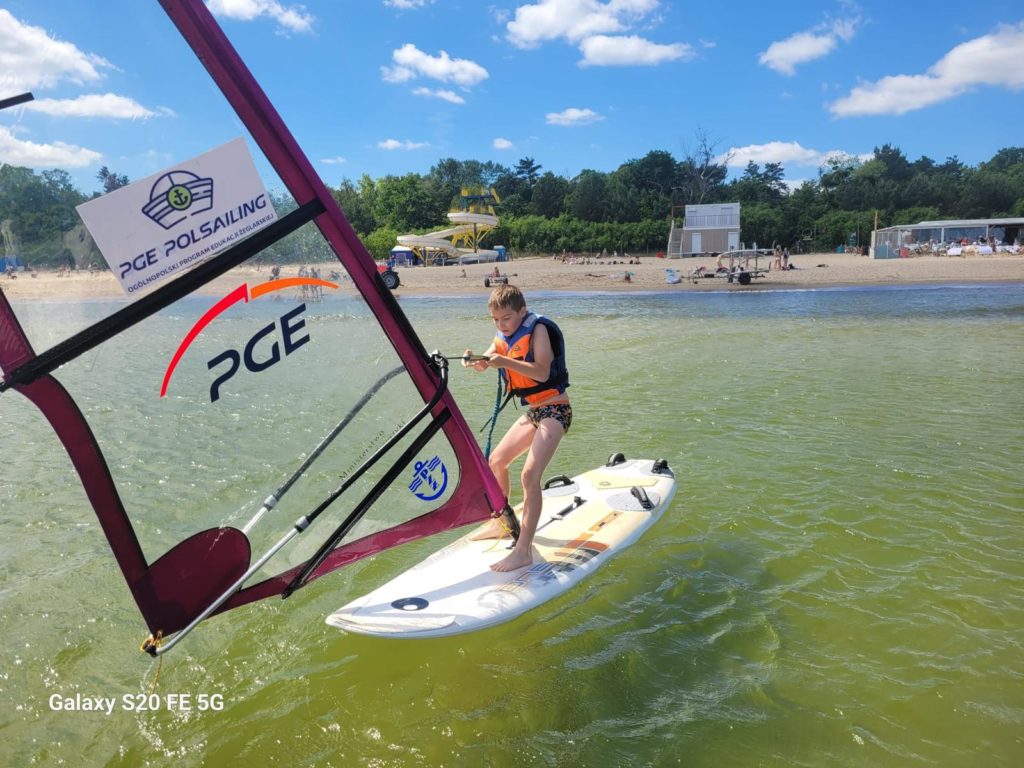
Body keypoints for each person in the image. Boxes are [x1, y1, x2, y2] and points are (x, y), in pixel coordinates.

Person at [463, 284, 571, 572]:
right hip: (535, 412)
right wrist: (474, 360)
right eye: (495, 320)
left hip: (556, 410)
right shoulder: (503, 334)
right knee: (496, 461)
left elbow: (542, 372)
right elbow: (486, 363)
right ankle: (502, 523)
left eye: (507, 318)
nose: (501, 325)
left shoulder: (538, 330)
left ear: (521, 311)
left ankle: (523, 551)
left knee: (529, 476)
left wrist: (504, 361)